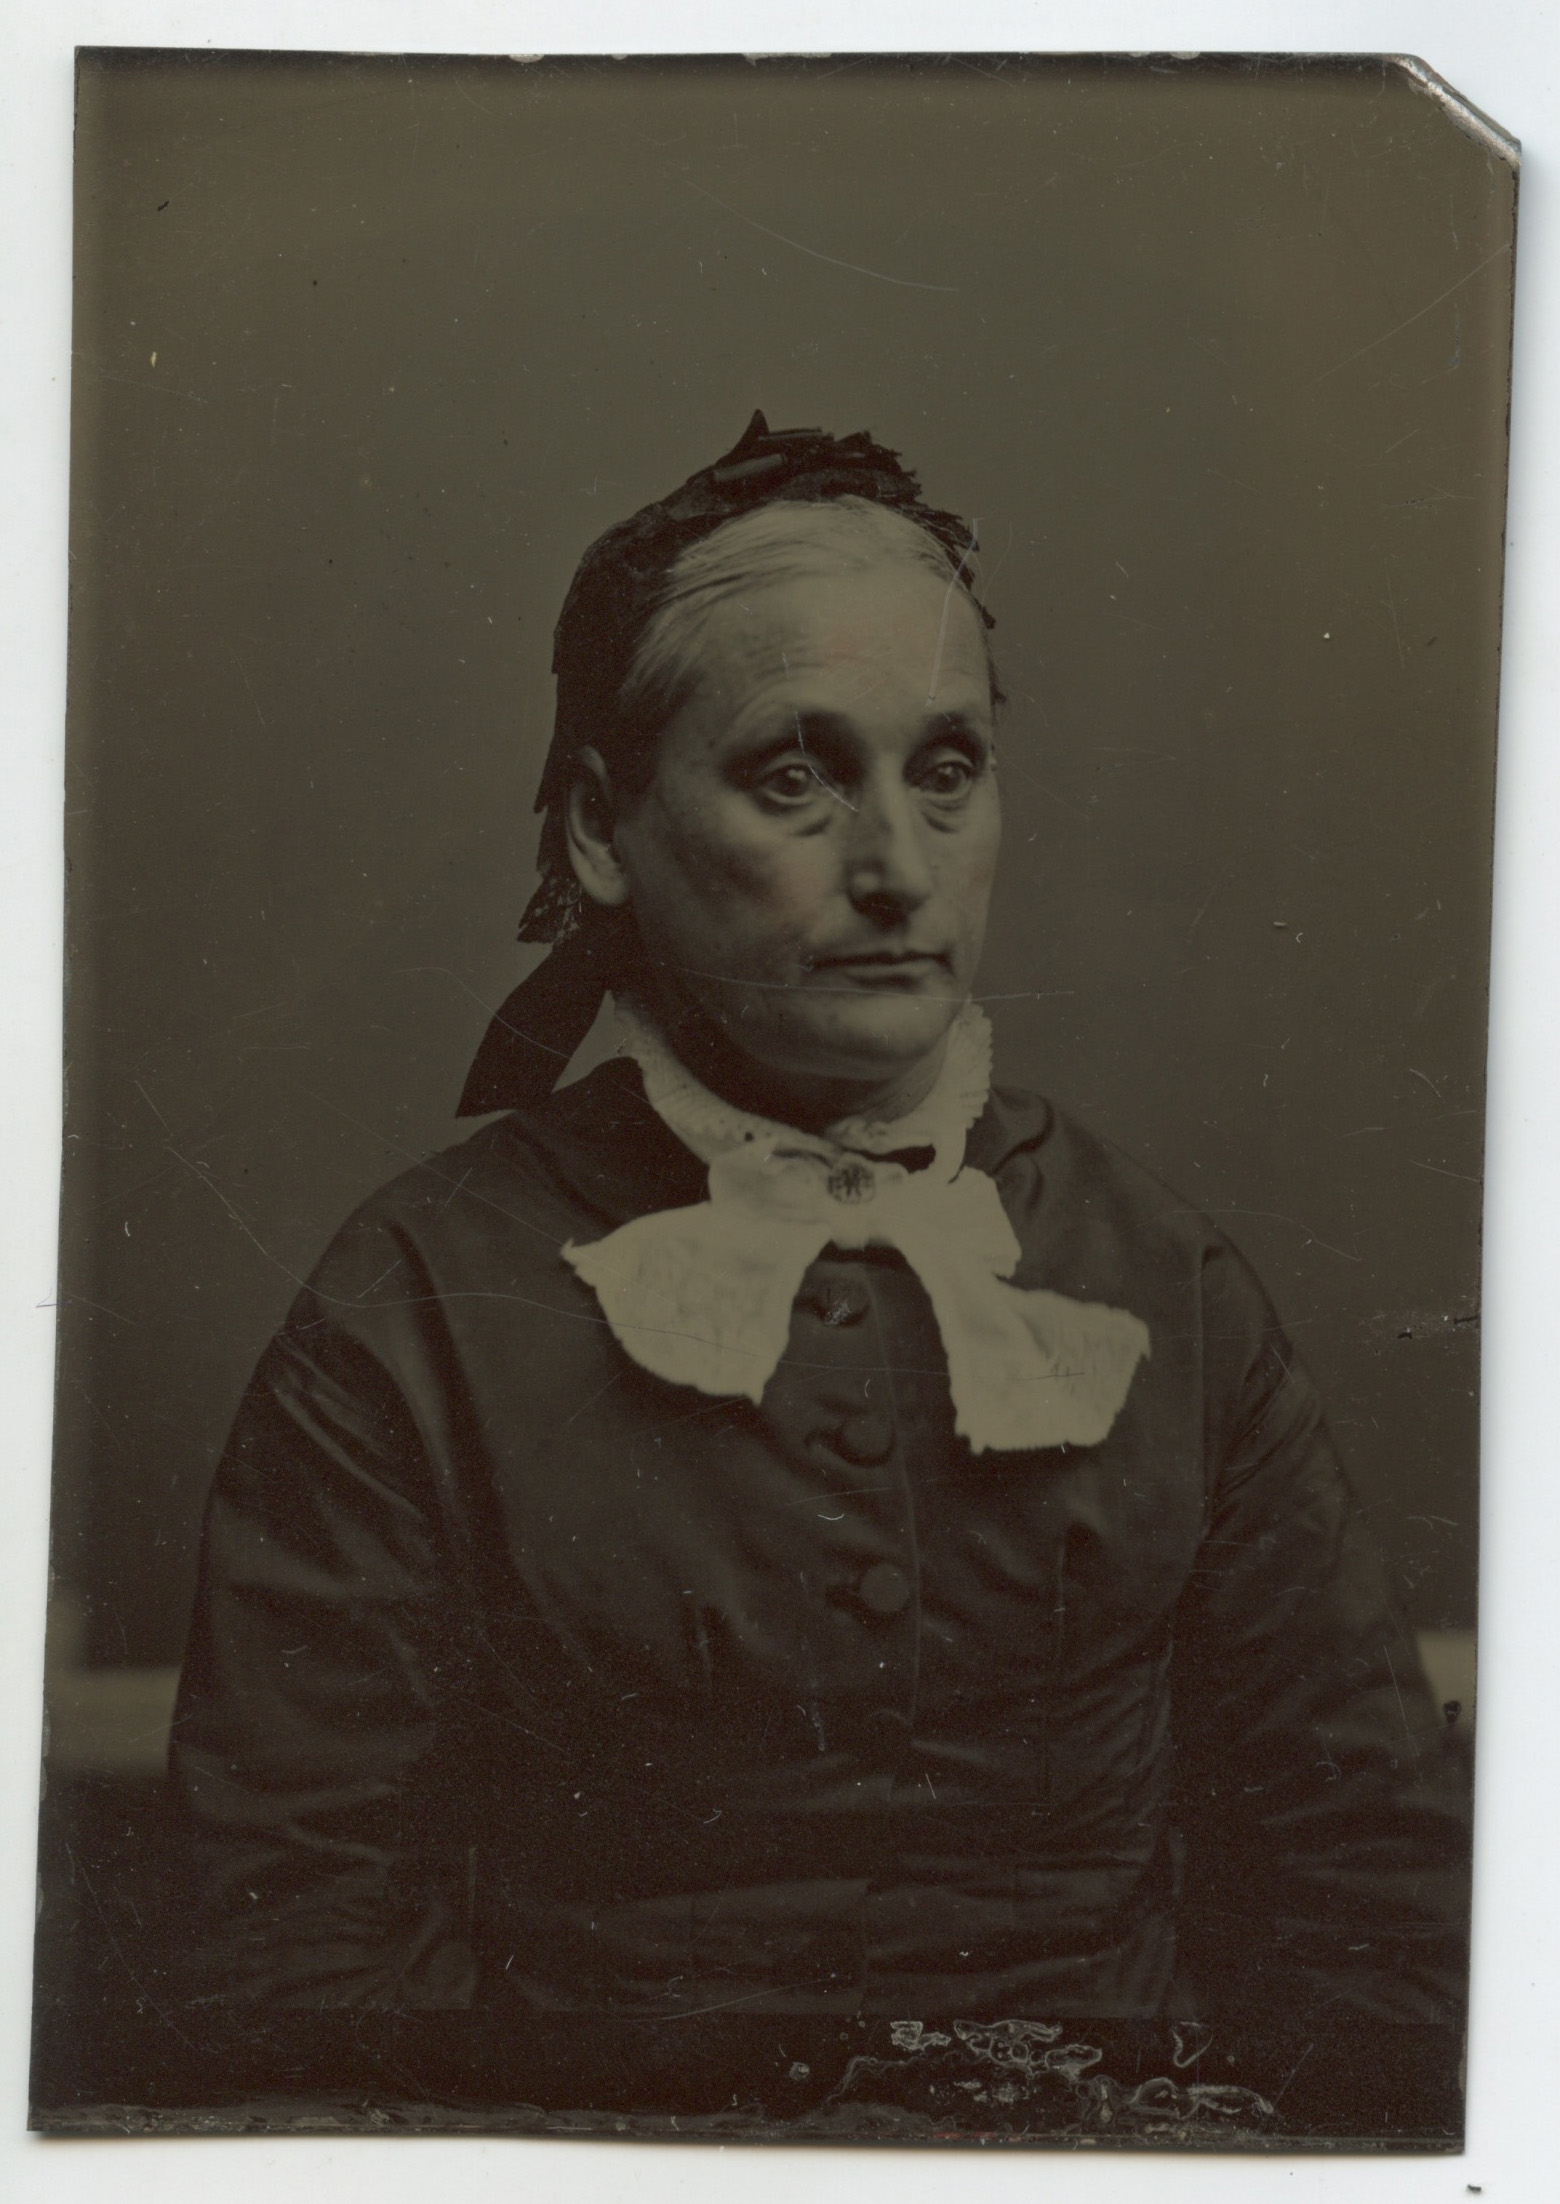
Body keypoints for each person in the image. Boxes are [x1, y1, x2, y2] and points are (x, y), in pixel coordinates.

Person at [170, 414, 1468, 2074]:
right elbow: (290, 1952)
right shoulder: (417, 1306)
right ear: (600, 829)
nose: (896, 870)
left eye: (948, 772)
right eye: (795, 778)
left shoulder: (1161, 1279)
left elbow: (1369, 1901)